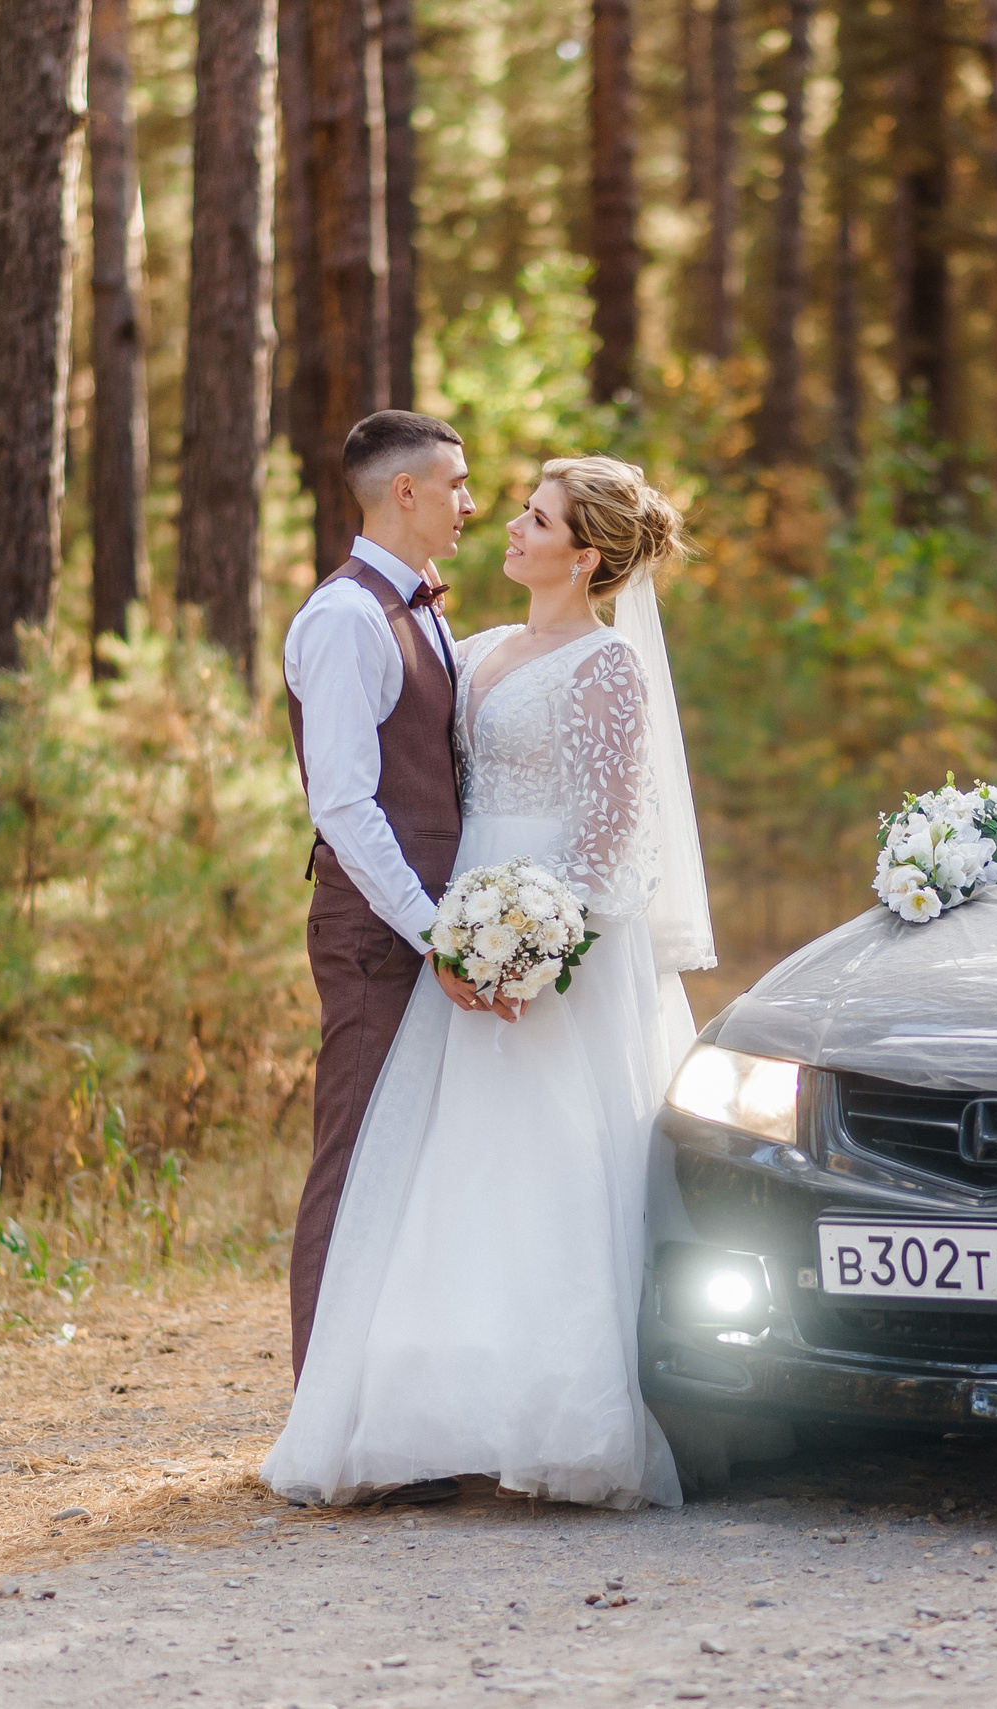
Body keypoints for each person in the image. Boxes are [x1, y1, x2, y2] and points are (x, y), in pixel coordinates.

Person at [262, 456, 714, 1512]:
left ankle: (559, 1411)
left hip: (549, 954)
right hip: (467, 931)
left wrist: (544, 954)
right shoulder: (480, 649)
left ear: (584, 554)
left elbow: (611, 838)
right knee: (449, 1176)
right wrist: (469, 941)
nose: (509, 525)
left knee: (552, 1176)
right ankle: (440, 1412)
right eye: (516, 507)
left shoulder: (607, 669)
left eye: (536, 515)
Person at [279, 410, 488, 1423]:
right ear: (401, 492)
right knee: (355, 1156)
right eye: (454, 483)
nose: (469, 503)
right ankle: (329, 1420)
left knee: (413, 1160)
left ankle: (397, 1411)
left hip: (421, 927)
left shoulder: (425, 609)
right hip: (376, 936)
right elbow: (346, 805)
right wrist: (433, 929)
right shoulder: (345, 619)